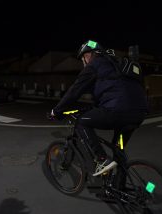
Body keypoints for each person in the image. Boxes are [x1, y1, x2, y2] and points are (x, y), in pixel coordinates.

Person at [50, 40, 148, 177]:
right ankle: (120, 189)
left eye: (83, 58)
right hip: (138, 113)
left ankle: (102, 159)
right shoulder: (116, 64)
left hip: (117, 111)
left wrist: (57, 110)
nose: (83, 62)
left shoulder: (94, 65)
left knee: (81, 122)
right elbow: (111, 91)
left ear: (88, 55)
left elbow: (74, 91)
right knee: (118, 149)